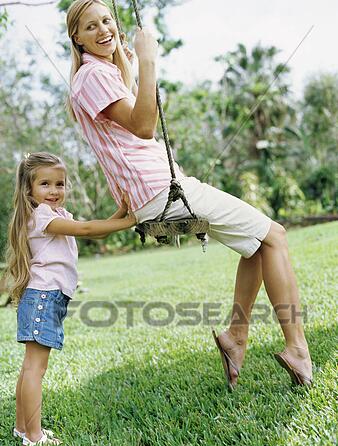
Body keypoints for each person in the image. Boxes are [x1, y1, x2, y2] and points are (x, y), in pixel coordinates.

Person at [66, 0, 313, 388]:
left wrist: (132, 66)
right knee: (276, 235)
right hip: (161, 190)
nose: (102, 30)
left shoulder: (97, 75)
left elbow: (121, 139)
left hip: (153, 193)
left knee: (256, 246)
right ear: (76, 38)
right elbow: (145, 126)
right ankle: (297, 347)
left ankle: (236, 338)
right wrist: (149, 60)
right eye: (90, 26)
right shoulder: (92, 76)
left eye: (107, 20)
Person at [5, 152, 135, 446]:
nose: (54, 191)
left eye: (60, 184)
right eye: (46, 184)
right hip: (43, 296)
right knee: (35, 369)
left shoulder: (58, 216)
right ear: (30, 190)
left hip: (45, 296)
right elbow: (88, 230)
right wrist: (130, 221)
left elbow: (94, 230)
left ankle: (23, 429)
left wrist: (121, 213)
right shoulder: (41, 217)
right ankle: (34, 437)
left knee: (30, 367)